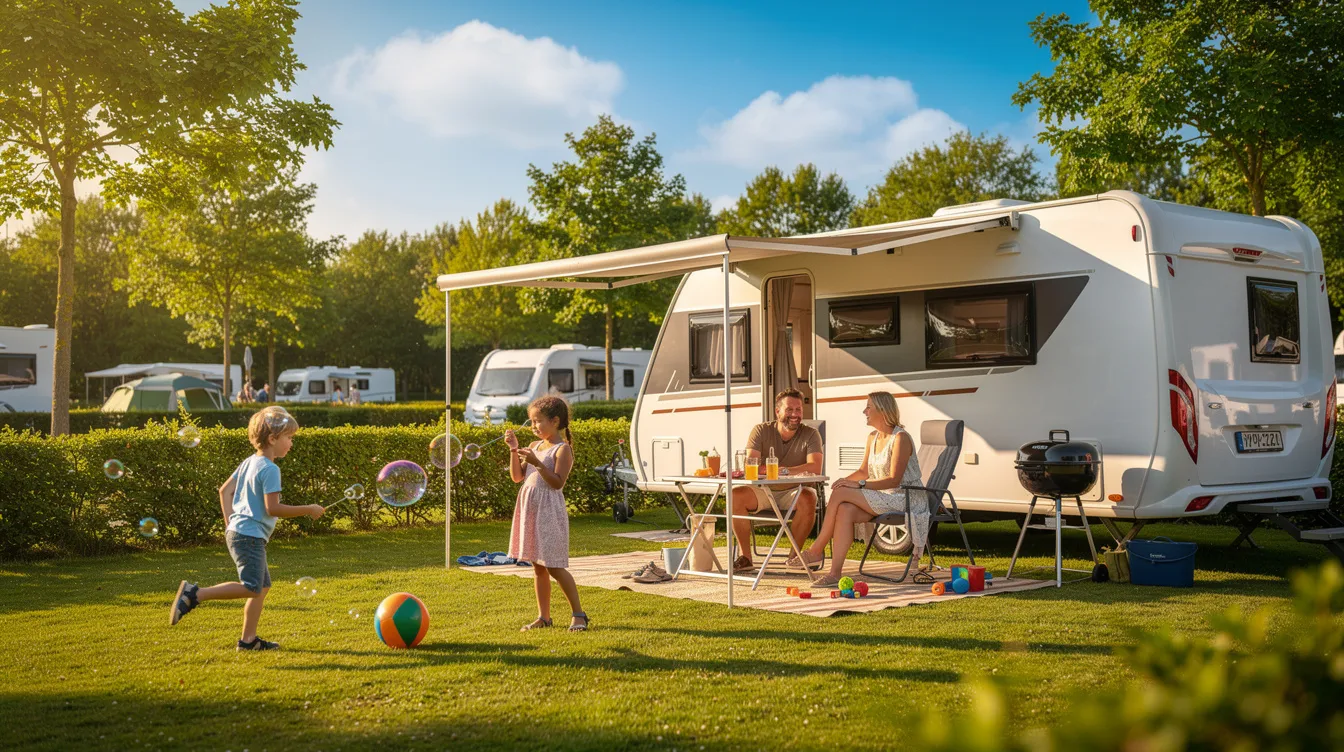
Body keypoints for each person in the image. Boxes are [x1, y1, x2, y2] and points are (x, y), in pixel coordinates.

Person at [169, 406, 323, 650]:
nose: (291, 443)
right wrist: (309, 509)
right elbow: (273, 508)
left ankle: (248, 641)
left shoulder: (250, 462)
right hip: (248, 536)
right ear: (273, 439)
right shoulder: (271, 469)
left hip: (241, 532)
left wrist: (230, 521)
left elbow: (224, 491)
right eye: (289, 437)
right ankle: (195, 594)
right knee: (252, 587)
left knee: (262, 587)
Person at [795, 392, 925, 587]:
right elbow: (864, 471)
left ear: (882, 410)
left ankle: (816, 550)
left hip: (905, 496)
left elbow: (893, 480)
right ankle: (835, 573)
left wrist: (859, 484)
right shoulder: (872, 437)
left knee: (841, 494)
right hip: (883, 495)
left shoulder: (900, 438)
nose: (865, 411)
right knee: (844, 509)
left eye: (869, 407)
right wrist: (845, 480)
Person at [504, 395, 589, 632]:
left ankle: (579, 614)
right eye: (531, 422)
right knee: (537, 565)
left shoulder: (563, 450)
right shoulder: (534, 447)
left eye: (537, 421)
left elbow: (557, 483)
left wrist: (538, 463)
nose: (533, 426)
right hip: (530, 508)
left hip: (549, 510)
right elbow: (517, 478)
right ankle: (544, 617)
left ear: (555, 421)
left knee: (553, 566)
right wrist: (513, 450)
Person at [726, 389, 824, 574]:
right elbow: (751, 464)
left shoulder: (811, 434)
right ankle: (746, 558)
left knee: (808, 498)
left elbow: (815, 467)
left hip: (795, 490)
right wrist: (770, 471)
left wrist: (783, 471)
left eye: (798, 410)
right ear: (777, 411)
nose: (795, 415)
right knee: (734, 496)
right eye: (789, 410)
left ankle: (794, 558)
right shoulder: (761, 430)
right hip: (764, 490)